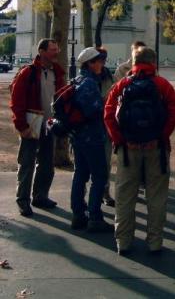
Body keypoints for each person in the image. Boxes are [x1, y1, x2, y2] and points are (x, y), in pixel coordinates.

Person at [104, 47, 175, 255]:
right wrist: (163, 135)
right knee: (156, 196)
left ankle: (124, 241)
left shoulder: (122, 85)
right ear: (153, 62)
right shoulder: (162, 85)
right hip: (156, 147)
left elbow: (108, 113)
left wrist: (119, 139)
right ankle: (155, 241)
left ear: (133, 62)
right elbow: (174, 111)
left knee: (125, 196)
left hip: (128, 149)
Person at [10, 38, 65, 217]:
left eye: (57, 49)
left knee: (47, 164)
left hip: (49, 125)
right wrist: (21, 126)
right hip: (32, 124)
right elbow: (17, 101)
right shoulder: (28, 73)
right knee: (27, 163)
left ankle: (40, 196)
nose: (56, 52)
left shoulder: (57, 72)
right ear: (42, 52)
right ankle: (23, 200)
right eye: (52, 49)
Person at [70, 47, 113, 232]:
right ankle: (95, 217)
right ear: (90, 63)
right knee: (99, 176)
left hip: (78, 136)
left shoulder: (76, 80)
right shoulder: (88, 83)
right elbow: (94, 110)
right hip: (92, 136)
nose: (101, 65)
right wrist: (106, 104)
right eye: (98, 61)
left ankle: (78, 214)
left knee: (80, 174)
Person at [96, 47, 115, 207]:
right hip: (91, 126)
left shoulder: (108, 75)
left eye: (104, 59)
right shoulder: (85, 78)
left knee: (106, 162)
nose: (102, 62)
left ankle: (105, 191)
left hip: (105, 125)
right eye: (100, 59)